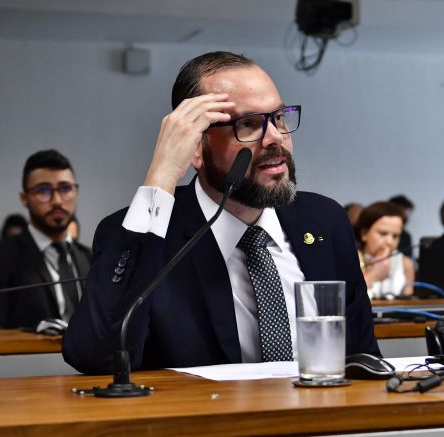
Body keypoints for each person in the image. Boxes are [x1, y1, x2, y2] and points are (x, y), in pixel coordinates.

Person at [62, 51, 380, 374]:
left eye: (279, 117)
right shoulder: (147, 232)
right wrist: (161, 175)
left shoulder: (324, 220)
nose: (274, 138)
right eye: (248, 125)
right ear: (196, 148)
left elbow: (364, 359)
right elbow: (95, 356)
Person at [0, 150, 91, 329]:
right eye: (43, 190)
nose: (57, 200)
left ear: (76, 191)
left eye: (66, 188)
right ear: (24, 198)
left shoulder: (92, 259)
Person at [355, 202, 415, 300]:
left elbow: (408, 303)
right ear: (364, 234)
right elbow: (344, 299)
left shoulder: (406, 264)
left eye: (395, 236)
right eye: (383, 234)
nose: (390, 242)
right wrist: (374, 275)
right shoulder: (351, 259)